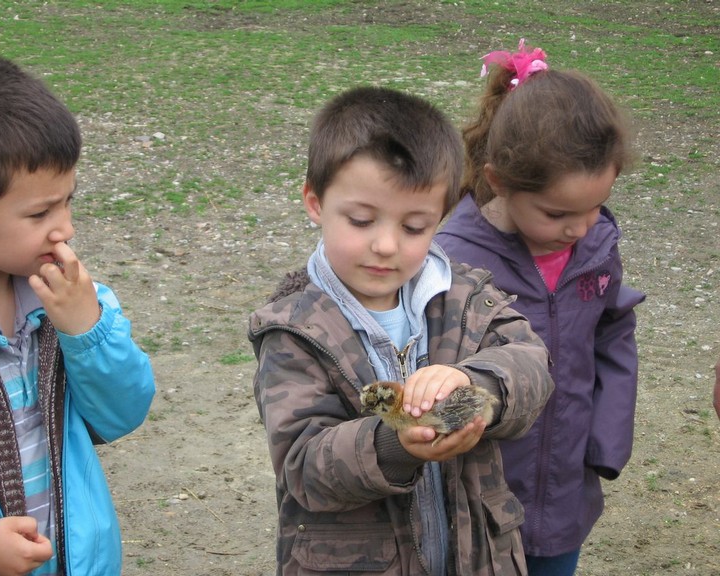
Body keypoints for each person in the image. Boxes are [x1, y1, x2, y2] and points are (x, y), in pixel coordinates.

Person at [248, 85, 555, 576]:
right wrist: (393, 446)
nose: (386, 245)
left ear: (442, 216)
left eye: (414, 227)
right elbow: (303, 467)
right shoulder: (294, 330)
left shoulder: (467, 297)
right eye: (362, 220)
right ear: (314, 201)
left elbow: (532, 366)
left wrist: (475, 385)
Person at [435, 40, 646, 575]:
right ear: (501, 183)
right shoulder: (453, 259)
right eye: (557, 214)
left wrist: (606, 440)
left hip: (566, 489)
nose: (578, 228)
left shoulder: (596, 245)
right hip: (477, 492)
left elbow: (613, 332)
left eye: (595, 207)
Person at [0, 55, 156, 576]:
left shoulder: (68, 300)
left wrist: (88, 332)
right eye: (40, 213)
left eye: (68, 203)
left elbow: (123, 413)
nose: (63, 228)